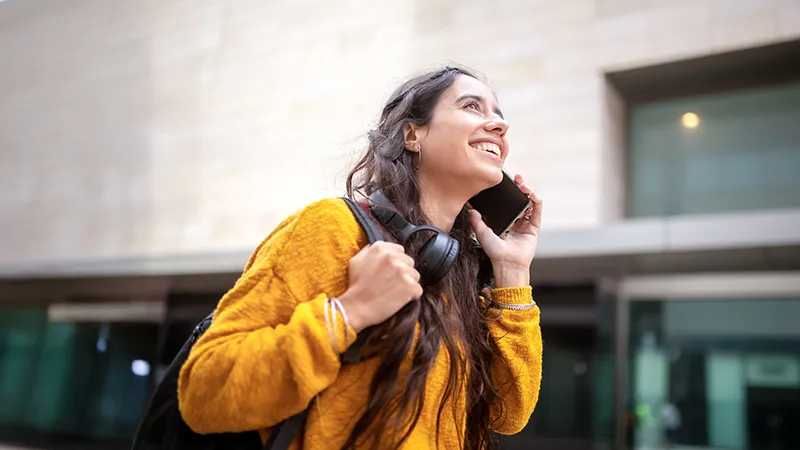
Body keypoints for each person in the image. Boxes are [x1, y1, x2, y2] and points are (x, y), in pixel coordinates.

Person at [177, 66, 544, 450]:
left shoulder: (456, 272)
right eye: (472, 106)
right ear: (412, 134)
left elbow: (507, 414)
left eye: (499, 116)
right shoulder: (333, 227)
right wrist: (348, 312)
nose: (498, 126)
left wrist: (512, 270)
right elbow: (205, 391)